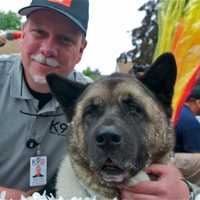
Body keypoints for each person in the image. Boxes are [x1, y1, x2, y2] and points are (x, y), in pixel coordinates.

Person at [0, 0, 197, 199]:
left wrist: (184, 190)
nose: (47, 48)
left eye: (64, 39)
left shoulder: (95, 96)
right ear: (23, 32)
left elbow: (156, 151)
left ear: (81, 49)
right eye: (39, 32)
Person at [175, 81, 200, 152]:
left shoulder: (176, 108)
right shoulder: (191, 122)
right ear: (198, 103)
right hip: (168, 159)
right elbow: (196, 152)